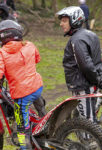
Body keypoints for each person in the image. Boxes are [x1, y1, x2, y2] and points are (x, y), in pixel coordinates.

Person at [56, 6, 102, 123]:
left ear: (74, 20)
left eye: (64, 21)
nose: (61, 24)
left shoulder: (77, 40)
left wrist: (96, 80)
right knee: (89, 116)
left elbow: (86, 65)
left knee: (87, 121)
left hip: (84, 85)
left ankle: (90, 141)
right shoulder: (89, 34)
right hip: (90, 83)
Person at [0, 20, 43, 150]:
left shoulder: (2, 53)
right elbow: (37, 59)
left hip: (21, 94)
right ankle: (44, 122)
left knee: (21, 128)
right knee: (39, 106)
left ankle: (25, 147)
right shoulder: (29, 45)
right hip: (37, 88)